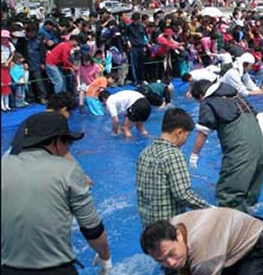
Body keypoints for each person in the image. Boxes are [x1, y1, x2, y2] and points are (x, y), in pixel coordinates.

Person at [1, 111, 112, 275]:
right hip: (55, 269)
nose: (68, 149)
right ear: (55, 142)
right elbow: (92, 228)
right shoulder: (67, 170)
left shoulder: (4, 164)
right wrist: (105, 259)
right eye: (68, 143)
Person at [189, 80, 263, 213]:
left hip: (241, 153)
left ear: (201, 96)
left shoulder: (209, 102)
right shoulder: (237, 97)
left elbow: (203, 132)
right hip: (260, 150)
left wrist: (194, 155)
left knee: (228, 195)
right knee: (250, 197)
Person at [140, 208, 263, 275]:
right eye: (161, 260)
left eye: (171, 254)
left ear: (178, 235)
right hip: (229, 237)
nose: (170, 263)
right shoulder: (171, 225)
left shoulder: (204, 258)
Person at [136, 108, 212, 229]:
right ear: (178, 132)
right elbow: (182, 194)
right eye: (186, 136)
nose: (186, 141)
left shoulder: (145, 152)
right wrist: (210, 209)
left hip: (148, 224)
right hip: (168, 225)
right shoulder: (173, 154)